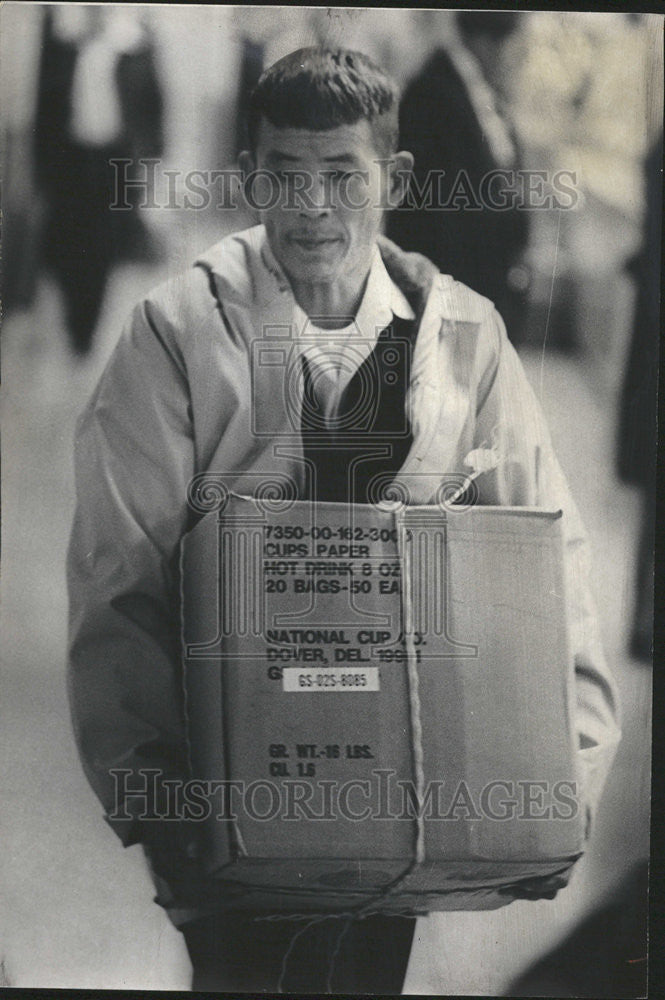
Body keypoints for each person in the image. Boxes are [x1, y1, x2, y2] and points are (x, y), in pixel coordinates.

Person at [67, 47, 621, 992]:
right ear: (250, 178)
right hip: (229, 806)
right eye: (284, 176)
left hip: (393, 800)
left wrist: (557, 789)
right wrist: (161, 811)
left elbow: (547, 566)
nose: (311, 207)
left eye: (341, 176)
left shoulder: (461, 342)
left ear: (392, 179)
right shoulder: (179, 337)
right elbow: (122, 582)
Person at [387, 11, 530, 345]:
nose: (519, 59)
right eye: (515, 47)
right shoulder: (432, 91)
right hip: (452, 290)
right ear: (487, 41)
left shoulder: (479, 91)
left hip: (478, 285)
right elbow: (429, 206)